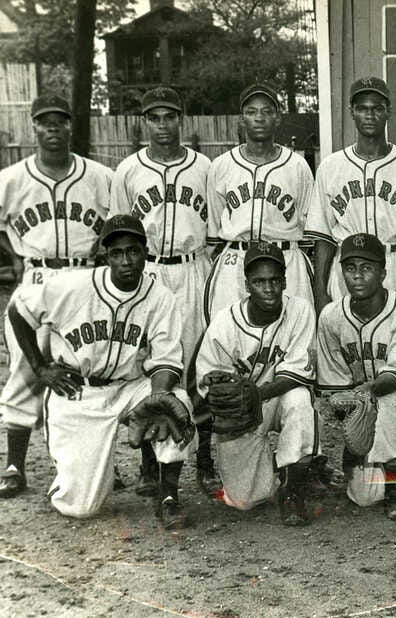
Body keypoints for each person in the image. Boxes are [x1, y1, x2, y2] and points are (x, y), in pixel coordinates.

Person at [6, 215, 193, 526]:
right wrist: (40, 367)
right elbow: (18, 310)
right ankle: (74, 476)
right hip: (79, 392)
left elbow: (167, 360)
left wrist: (159, 396)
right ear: (105, 256)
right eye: (116, 253)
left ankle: (169, 495)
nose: (126, 261)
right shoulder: (73, 286)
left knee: (177, 401)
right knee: (80, 506)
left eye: (133, 251)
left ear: (145, 253)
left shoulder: (160, 297)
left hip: (130, 387)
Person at [0, 95, 112, 499]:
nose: (53, 129)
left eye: (60, 122)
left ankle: (76, 463)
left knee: (79, 368)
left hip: (84, 277)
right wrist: (12, 260)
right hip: (36, 274)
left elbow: (118, 224)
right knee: (25, 370)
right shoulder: (11, 178)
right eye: (45, 123)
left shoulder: (99, 176)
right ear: (34, 128)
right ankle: (14, 464)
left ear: (70, 127)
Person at [109, 86, 218, 499]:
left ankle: (205, 463)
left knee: (198, 367)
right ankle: (150, 466)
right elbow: (118, 227)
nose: (162, 125)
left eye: (169, 116)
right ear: (145, 122)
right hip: (148, 269)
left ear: (181, 119)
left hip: (193, 267)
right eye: (154, 117)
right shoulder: (128, 170)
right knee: (147, 366)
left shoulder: (203, 167)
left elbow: (217, 228)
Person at [194, 242, 319, 525]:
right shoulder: (224, 323)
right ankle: (273, 465)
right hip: (242, 412)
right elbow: (208, 383)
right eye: (260, 281)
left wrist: (257, 392)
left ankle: (293, 489)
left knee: (300, 400)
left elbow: (298, 374)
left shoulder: (300, 310)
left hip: (279, 396)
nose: (269, 288)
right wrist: (217, 387)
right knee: (245, 500)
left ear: (285, 281)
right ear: (247, 284)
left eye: (275, 280)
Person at [316, 233, 396, 519]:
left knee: (387, 404)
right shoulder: (331, 316)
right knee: (364, 498)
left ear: (383, 272)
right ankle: (377, 459)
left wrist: (361, 396)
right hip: (360, 405)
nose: (357, 276)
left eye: (366, 268)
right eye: (350, 268)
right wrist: (353, 433)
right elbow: (333, 382)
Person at [307, 77, 396, 307]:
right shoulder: (331, 166)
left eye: (377, 108)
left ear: (388, 111)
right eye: (362, 108)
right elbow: (324, 238)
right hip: (349, 270)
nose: (370, 115)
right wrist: (320, 292)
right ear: (352, 111)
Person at [205, 83, 316, 319]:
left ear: (278, 118)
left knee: (293, 331)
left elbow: (308, 227)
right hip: (235, 260)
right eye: (251, 112)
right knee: (227, 333)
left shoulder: (297, 166)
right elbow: (215, 227)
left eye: (267, 111)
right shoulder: (222, 165)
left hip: (286, 259)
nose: (259, 118)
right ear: (241, 119)